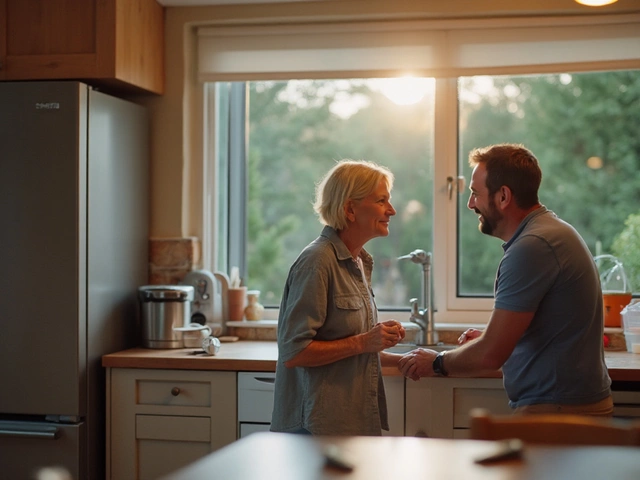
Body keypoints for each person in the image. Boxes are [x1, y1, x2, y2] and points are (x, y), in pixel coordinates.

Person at [398, 143, 613, 416]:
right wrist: (492, 338)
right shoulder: (547, 231)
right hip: (566, 405)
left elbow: (490, 355)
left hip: (560, 412)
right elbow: (540, 328)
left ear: (503, 196)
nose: (470, 203)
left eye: (476, 193)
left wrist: (437, 362)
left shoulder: (532, 246)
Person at [270, 159, 406, 435]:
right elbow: (294, 352)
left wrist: (402, 359)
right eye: (381, 201)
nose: (391, 210)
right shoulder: (317, 262)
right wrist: (366, 341)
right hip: (316, 428)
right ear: (350, 209)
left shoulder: (358, 261)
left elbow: (354, 349)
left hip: (347, 423)